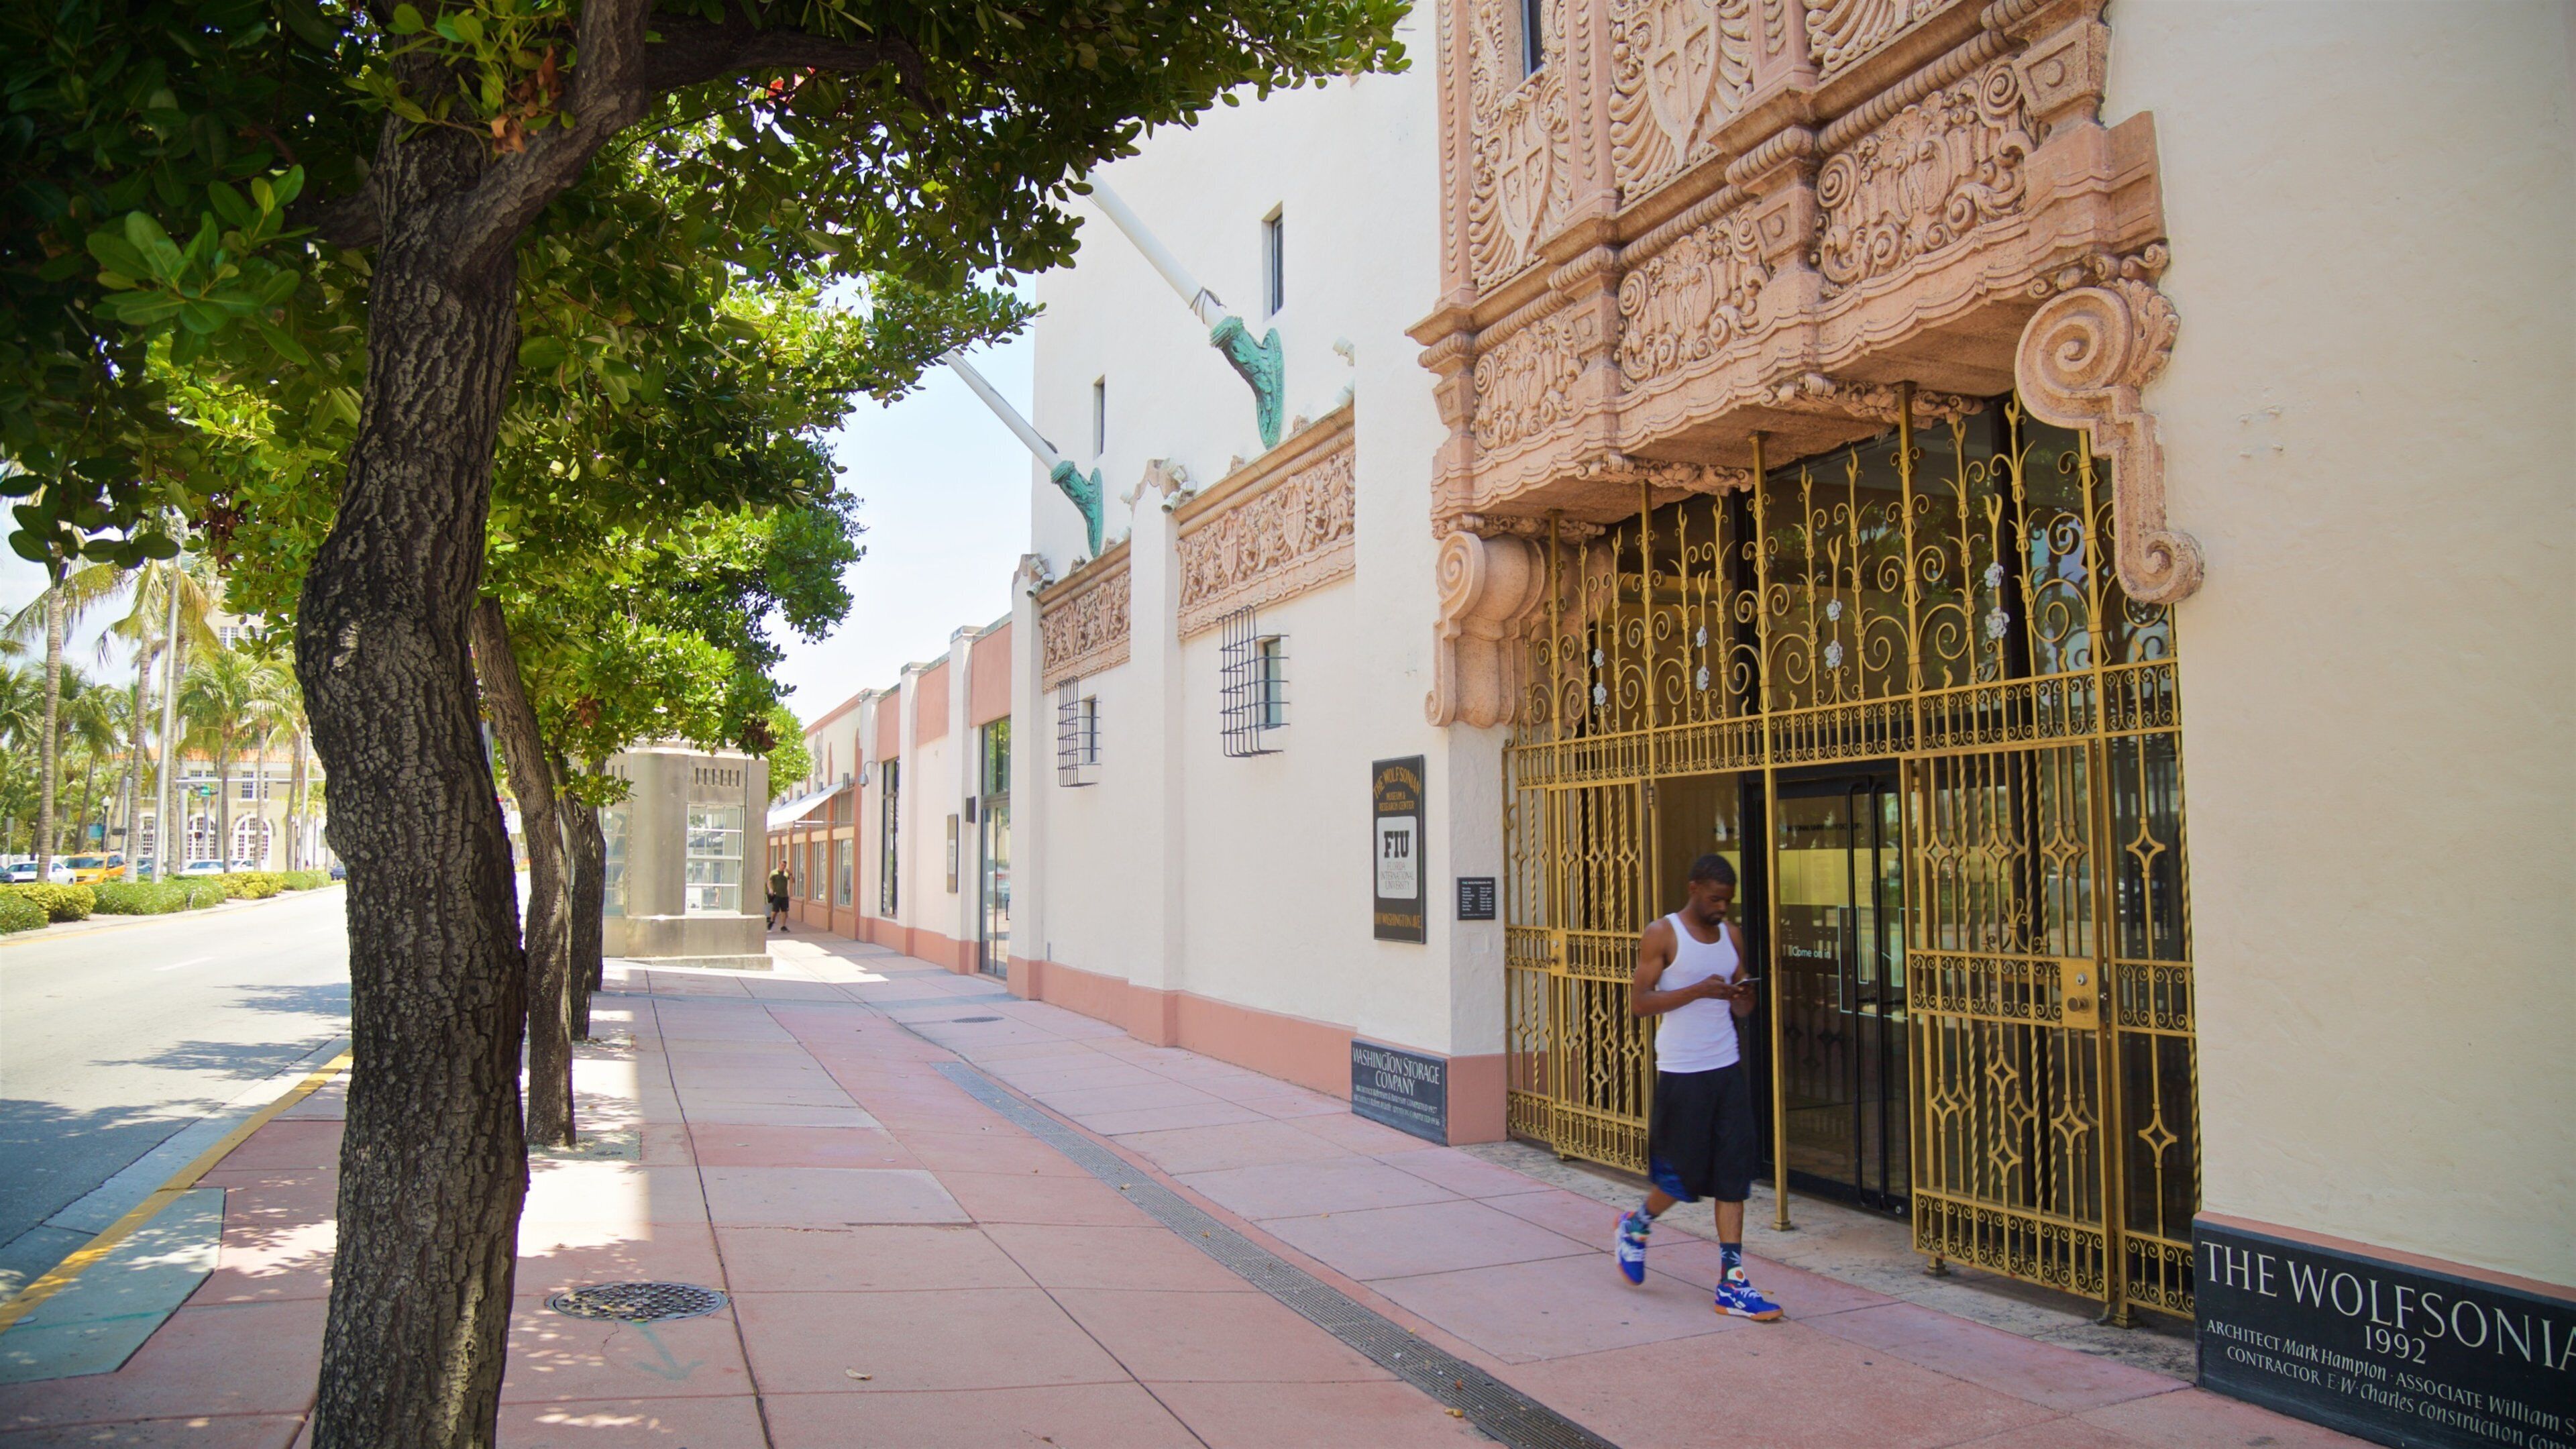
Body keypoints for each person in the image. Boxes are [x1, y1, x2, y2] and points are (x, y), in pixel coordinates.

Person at [1613, 853, 1782, 1321]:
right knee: (1681, 1176)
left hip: (1726, 1067)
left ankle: (1732, 1282)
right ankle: (1636, 1225)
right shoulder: (1663, 933)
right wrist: (1697, 991)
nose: (1722, 908)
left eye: (1728, 901)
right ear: (1694, 889)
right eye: (1715, 899)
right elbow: (1640, 1003)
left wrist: (1743, 997)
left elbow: (1741, 1005)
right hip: (1682, 1071)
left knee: (1733, 1174)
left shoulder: (1732, 936)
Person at [765, 863, 792, 931]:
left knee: (784, 911)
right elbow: (769, 882)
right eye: (782, 865)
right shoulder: (774, 873)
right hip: (777, 895)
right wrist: (770, 889)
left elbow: (793, 881)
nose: (783, 867)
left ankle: (783, 926)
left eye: (785, 866)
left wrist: (791, 874)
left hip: (785, 895)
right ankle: (772, 921)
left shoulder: (786, 874)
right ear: (779, 865)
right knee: (775, 911)